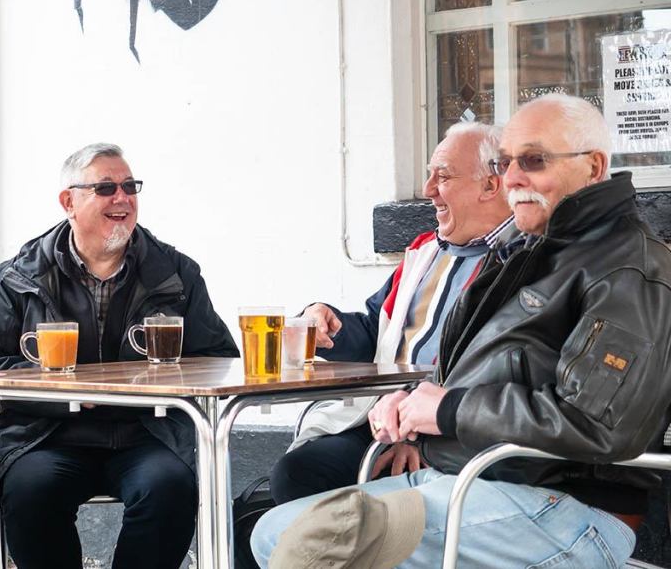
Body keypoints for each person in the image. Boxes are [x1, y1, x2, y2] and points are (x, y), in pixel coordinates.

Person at [252, 94, 671, 568]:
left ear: (593, 167)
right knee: (272, 529)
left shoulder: (627, 266)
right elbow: (479, 369)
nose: (513, 178)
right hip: (477, 480)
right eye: (505, 162)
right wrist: (413, 404)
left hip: (566, 508)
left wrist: (446, 409)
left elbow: (597, 424)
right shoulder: (530, 253)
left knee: (302, 542)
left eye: (534, 160)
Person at [0, 142, 237, 569]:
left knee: (170, 486)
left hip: (149, 434)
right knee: (29, 490)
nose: (122, 198)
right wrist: (53, 384)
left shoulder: (176, 272)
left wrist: (161, 381)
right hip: (48, 436)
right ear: (68, 202)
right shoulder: (21, 275)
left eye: (129, 187)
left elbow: (220, 360)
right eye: (106, 188)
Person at [270, 122, 513, 504]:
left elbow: (497, 369)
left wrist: (425, 436)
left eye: (443, 176)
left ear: (490, 185)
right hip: (382, 416)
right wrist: (327, 323)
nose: (428, 189)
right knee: (298, 472)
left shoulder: (519, 260)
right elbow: (377, 332)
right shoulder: (426, 252)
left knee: (314, 479)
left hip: (449, 429)